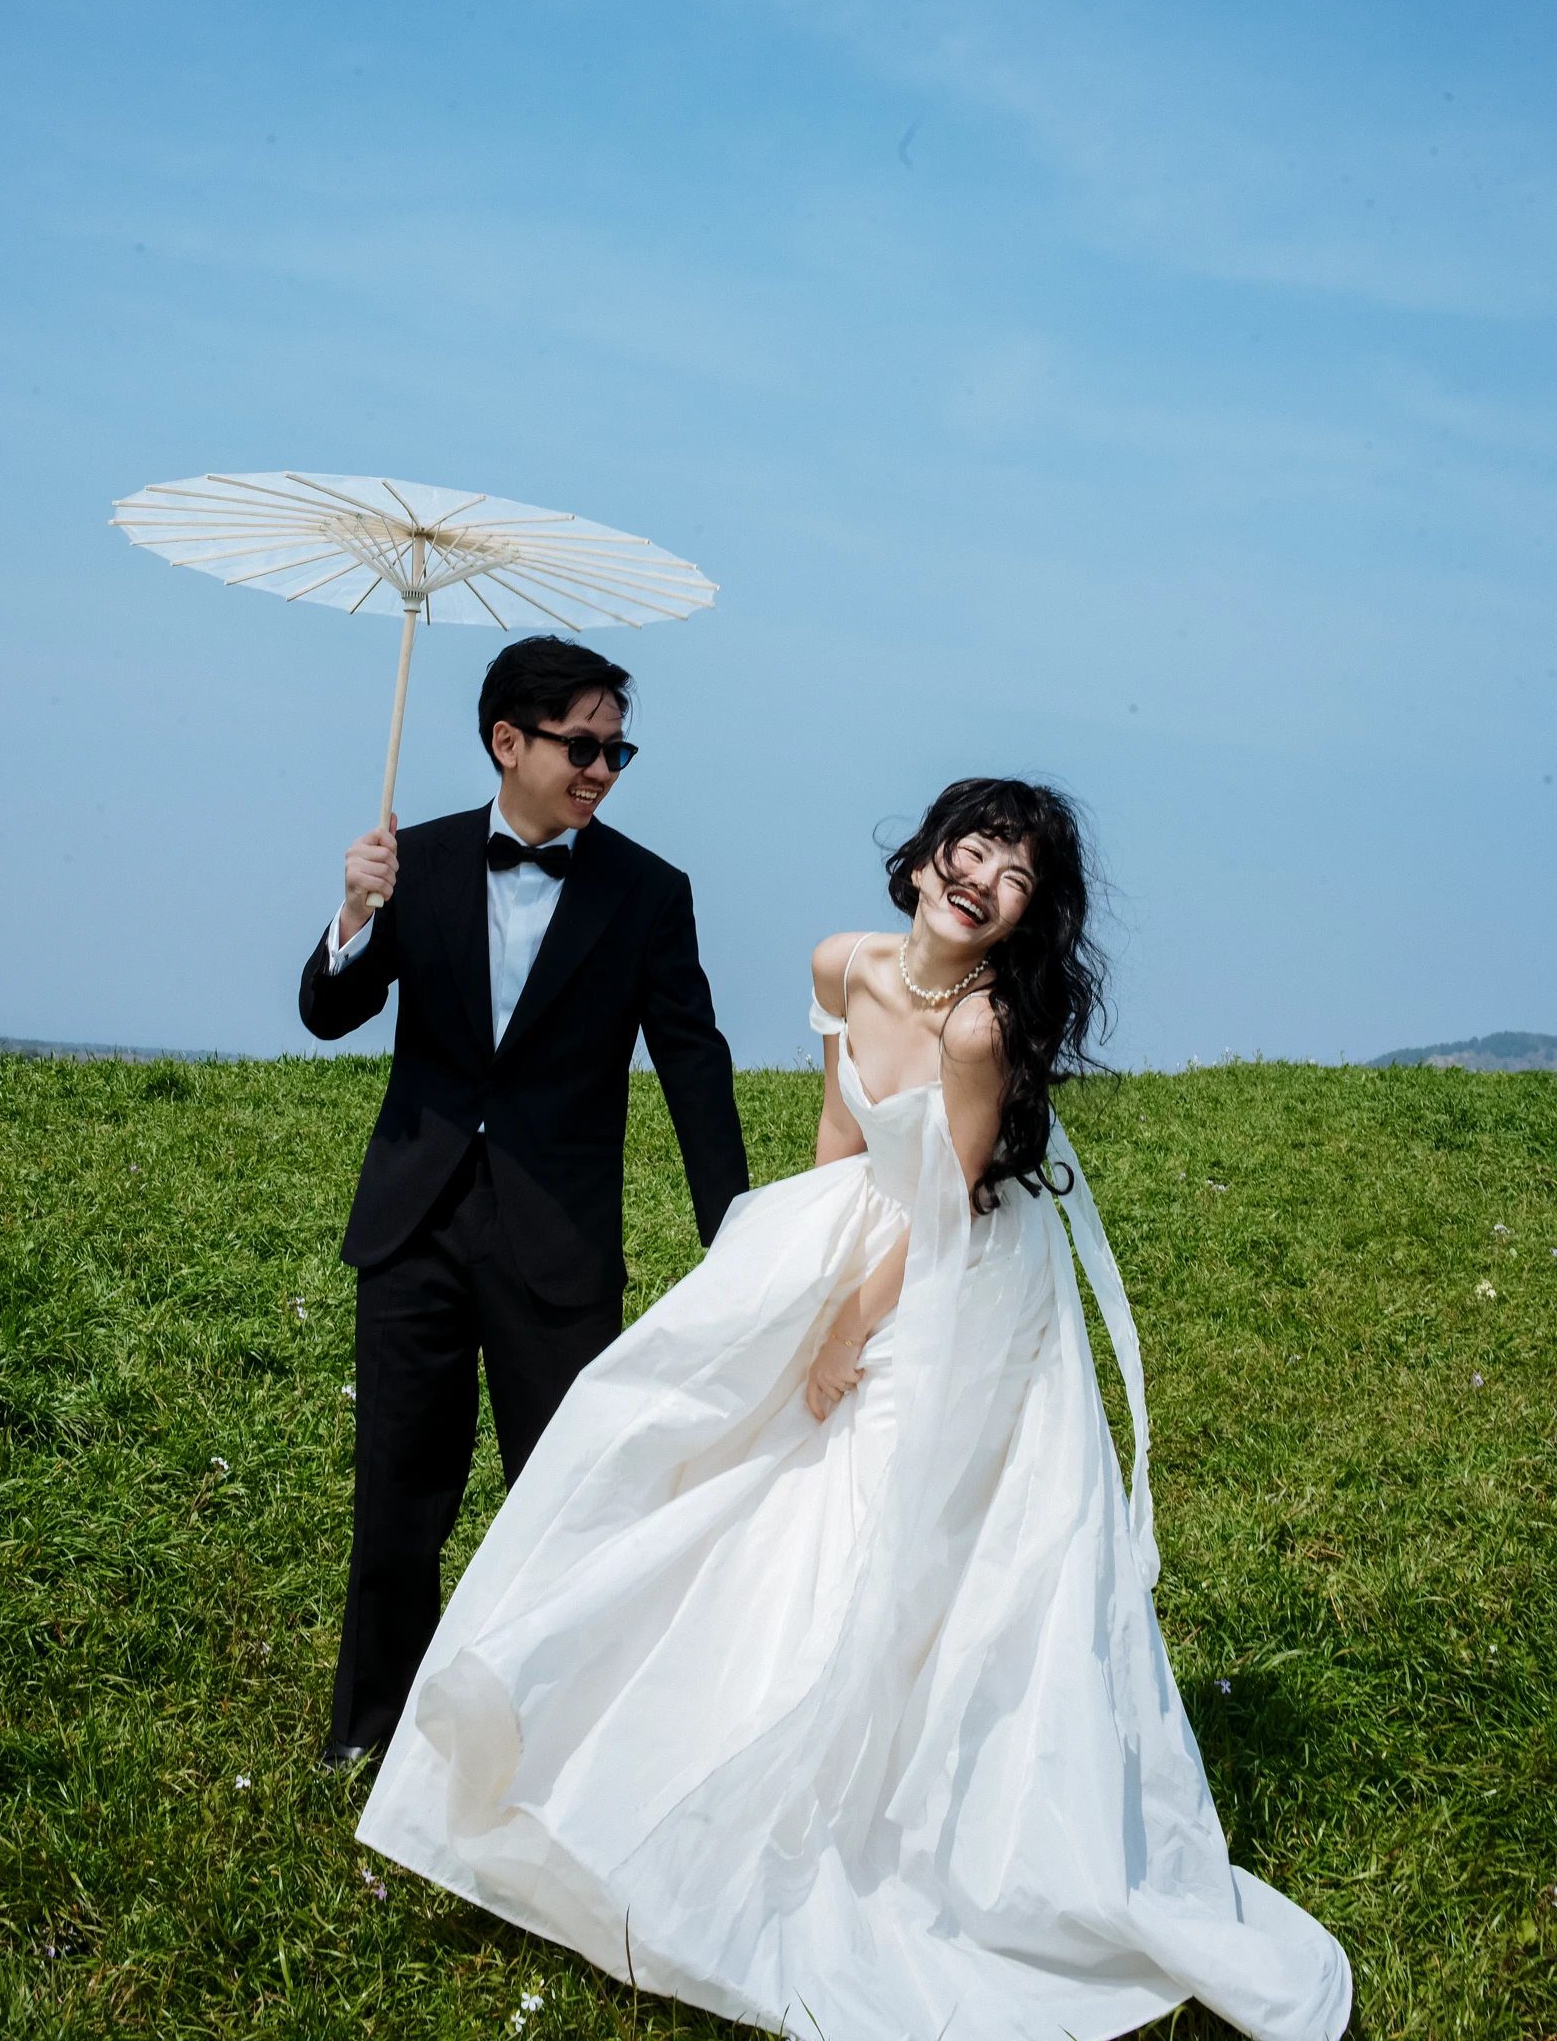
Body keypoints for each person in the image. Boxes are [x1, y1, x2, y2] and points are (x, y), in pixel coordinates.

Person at [355, 777, 1352, 2041]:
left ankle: (871, 1809)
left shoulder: (983, 1029)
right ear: (932, 850)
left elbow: (953, 1200)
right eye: (973, 846)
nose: (981, 877)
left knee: (891, 1533)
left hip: (959, 1278)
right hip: (860, 1233)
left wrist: (851, 1321)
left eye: (1016, 879)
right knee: (703, 1446)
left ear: (1020, 921)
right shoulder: (843, 962)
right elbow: (840, 1129)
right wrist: (787, 1283)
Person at [299, 635, 748, 1771]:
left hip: (557, 1241)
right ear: (509, 741)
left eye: (617, 751)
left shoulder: (650, 893)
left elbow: (693, 1065)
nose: (601, 769)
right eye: (582, 745)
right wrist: (354, 913)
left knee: (564, 1505)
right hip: (415, 1220)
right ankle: (370, 1735)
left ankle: (557, 1743)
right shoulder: (421, 862)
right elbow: (327, 1015)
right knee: (398, 1499)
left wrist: (734, 1234)